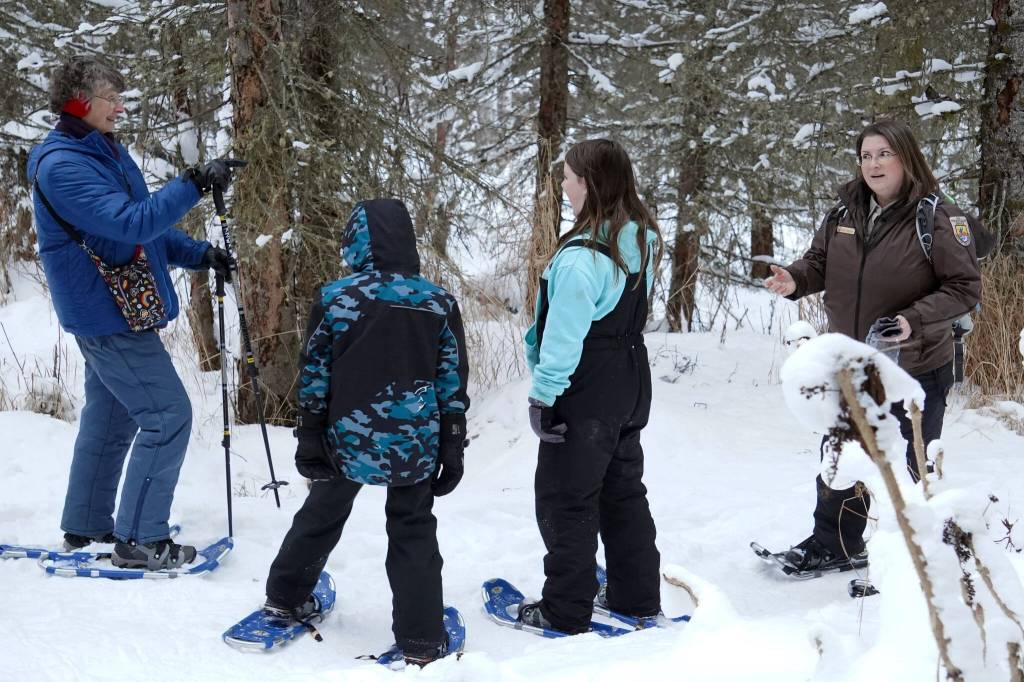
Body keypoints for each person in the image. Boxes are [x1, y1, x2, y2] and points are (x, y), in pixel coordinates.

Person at [27, 55, 241, 569]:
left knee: (112, 416)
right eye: (111, 100)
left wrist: (197, 254)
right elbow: (131, 224)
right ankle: (143, 540)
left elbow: (139, 230)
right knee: (168, 415)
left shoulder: (100, 152)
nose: (121, 108)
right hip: (105, 314)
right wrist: (192, 183)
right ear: (81, 103)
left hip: (110, 307)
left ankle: (87, 524)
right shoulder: (64, 166)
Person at [764, 119, 981, 572]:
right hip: (851, 362)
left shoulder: (937, 216)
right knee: (839, 455)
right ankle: (835, 544)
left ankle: (914, 562)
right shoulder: (846, 211)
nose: (873, 164)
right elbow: (820, 262)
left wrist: (912, 320)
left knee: (909, 470)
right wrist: (796, 278)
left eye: (884, 153)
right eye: (865, 155)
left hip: (914, 367)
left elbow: (964, 287)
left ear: (906, 157)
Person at [261, 198, 470, 665]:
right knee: (412, 528)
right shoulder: (438, 303)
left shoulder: (335, 298)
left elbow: (314, 374)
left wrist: (309, 434)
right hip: (413, 445)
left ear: (355, 242)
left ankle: (286, 595)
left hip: (346, 442)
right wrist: (453, 440)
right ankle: (421, 638)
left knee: (321, 515)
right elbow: (451, 379)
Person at [519, 138, 665, 634]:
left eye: (568, 177)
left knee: (567, 497)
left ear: (588, 183)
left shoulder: (583, 258)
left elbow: (563, 337)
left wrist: (544, 394)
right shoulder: (638, 236)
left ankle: (564, 609)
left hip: (588, 386)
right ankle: (637, 595)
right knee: (623, 491)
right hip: (629, 379)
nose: (563, 185)